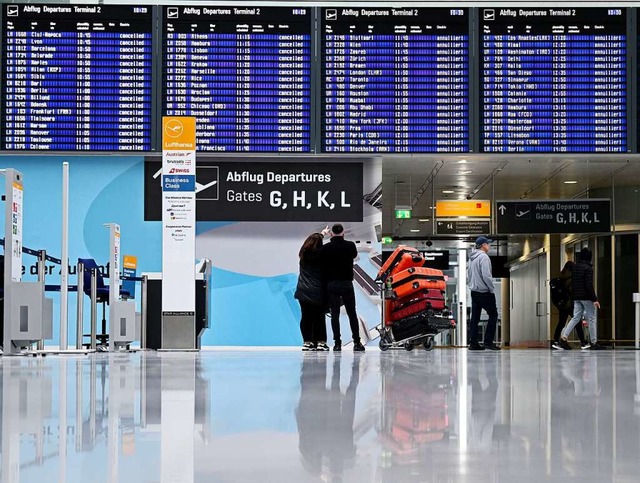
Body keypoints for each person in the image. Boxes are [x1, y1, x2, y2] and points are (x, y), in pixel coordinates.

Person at [320, 224, 365, 352]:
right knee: (352, 314)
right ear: (343, 232)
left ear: (331, 233)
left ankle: (337, 344)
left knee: (335, 315)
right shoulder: (350, 246)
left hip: (332, 284)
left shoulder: (326, 248)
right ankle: (357, 342)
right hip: (346, 284)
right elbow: (354, 255)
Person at [558, 247, 603, 350]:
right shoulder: (588, 269)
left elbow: (574, 283)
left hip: (576, 297)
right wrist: (594, 299)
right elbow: (588, 285)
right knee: (591, 318)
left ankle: (564, 338)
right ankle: (594, 342)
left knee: (575, 318)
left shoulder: (575, 267)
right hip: (586, 297)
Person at [294, 229, 331, 351]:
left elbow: (314, 241)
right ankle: (321, 342)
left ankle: (307, 342)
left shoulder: (303, 255)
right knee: (319, 317)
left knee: (306, 317)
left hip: (303, 291)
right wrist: (323, 234)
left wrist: (322, 234)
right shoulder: (323, 256)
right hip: (317, 291)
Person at [467, 236, 500, 351]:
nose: (489, 246)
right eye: (487, 244)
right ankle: (488, 342)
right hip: (485, 292)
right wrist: (491, 289)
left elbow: (469, 275)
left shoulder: (471, 258)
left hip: (474, 292)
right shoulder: (484, 257)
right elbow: (486, 276)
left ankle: (473, 343)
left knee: (475, 318)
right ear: (482, 245)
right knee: (493, 315)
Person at [552, 261, 589, 350]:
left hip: (562, 305)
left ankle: (556, 341)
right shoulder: (571, 277)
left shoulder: (561, 277)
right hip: (570, 304)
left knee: (561, 323)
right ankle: (583, 342)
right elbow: (572, 291)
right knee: (577, 322)